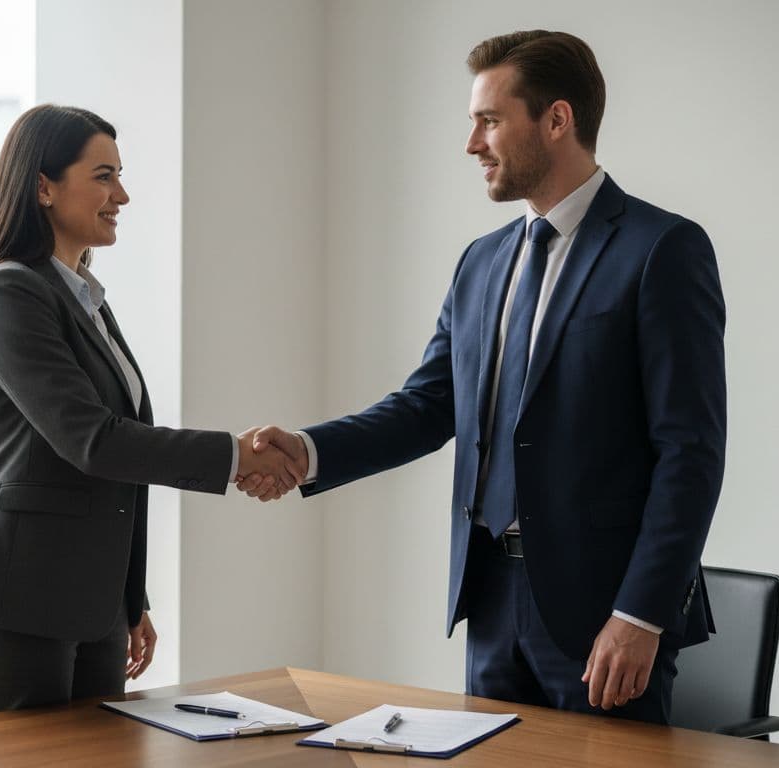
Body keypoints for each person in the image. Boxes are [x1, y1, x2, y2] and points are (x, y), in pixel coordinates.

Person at [240, 30, 725, 725]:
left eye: (489, 120)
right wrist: (308, 451)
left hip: (605, 615)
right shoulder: (482, 262)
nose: (472, 143)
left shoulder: (662, 250)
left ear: (556, 120)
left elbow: (692, 450)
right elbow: (428, 406)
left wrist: (640, 613)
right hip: (492, 600)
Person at [0, 104, 301, 715]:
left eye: (120, 175)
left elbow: (114, 467)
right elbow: (95, 441)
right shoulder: (10, 292)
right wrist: (236, 455)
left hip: (93, 609)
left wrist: (131, 600)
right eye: (104, 176)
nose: (122, 195)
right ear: (44, 187)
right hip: (17, 608)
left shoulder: (85, 299)